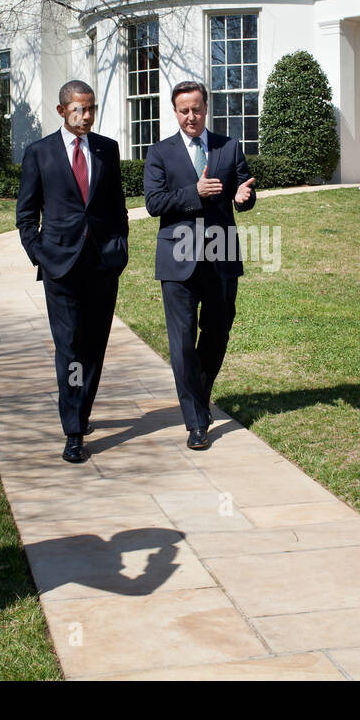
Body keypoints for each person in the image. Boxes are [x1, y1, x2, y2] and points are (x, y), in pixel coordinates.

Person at [16, 80, 129, 463]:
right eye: (78, 109)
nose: (86, 116)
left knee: (94, 347)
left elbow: (118, 208)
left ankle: (82, 410)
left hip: (102, 265)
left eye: (91, 108)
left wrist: (120, 249)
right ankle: (74, 430)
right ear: (62, 110)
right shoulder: (39, 153)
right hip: (60, 268)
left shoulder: (107, 150)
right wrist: (41, 256)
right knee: (70, 349)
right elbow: (26, 216)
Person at [143, 80, 255, 449]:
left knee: (218, 332)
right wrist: (195, 193)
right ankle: (195, 421)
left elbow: (244, 190)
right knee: (181, 342)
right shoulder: (160, 152)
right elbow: (154, 203)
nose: (191, 116)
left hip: (221, 254)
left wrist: (243, 197)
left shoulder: (228, 146)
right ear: (175, 112)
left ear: (206, 108)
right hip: (178, 257)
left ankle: (200, 397)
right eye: (184, 110)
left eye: (197, 109)